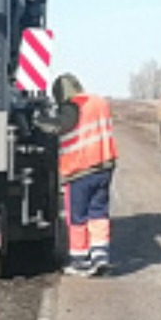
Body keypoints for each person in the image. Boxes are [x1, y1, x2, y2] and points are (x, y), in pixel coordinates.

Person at [54, 69, 118, 276]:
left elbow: (57, 127)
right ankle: (100, 256)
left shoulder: (72, 107)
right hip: (104, 167)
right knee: (98, 214)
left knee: (77, 218)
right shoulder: (100, 102)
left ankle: (79, 261)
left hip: (79, 172)